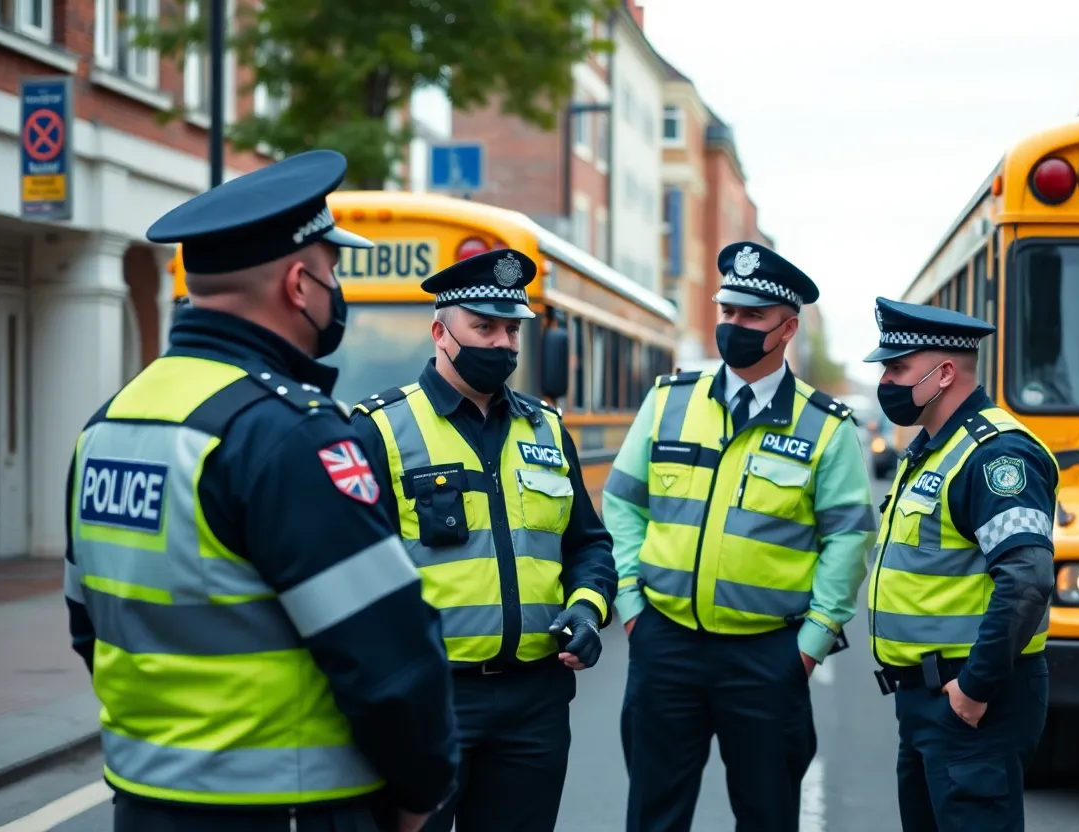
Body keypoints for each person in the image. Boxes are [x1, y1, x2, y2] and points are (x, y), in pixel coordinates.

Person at [62, 149, 459, 832]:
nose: (337, 292)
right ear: (299, 285)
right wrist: (420, 792)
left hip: (145, 803)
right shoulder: (289, 436)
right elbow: (387, 659)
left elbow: (89, 623)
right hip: (288, 809)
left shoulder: (111, 422)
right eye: (333, 272)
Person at [603, 241, 876, 832]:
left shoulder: (824, 427)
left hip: (766, 657)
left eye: (752, 317)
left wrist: (811, 644)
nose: (735, 326)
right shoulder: (669, 400)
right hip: (664, 646)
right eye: (728, 312)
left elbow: (849, 539)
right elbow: (623, 502)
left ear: (786, 329)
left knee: (767, 816)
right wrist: (631, 607)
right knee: (654, 814)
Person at [348, 248, 618, 832]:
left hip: (535, 705)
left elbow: (588, 546)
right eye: (484, 326)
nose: (501, 343)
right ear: (441, 331)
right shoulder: (381, 428)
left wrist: (588, 610)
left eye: (511, 328)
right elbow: (353, 574)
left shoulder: (545, 429)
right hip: (430, 700)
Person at [863, 297, 1059, 832]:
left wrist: (974, 689)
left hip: (973, 703)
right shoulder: (933, 447)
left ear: (944, 372)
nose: (886, 381)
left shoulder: (996, 455)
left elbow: (1027, 579)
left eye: (898, 368)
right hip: (929, 701)